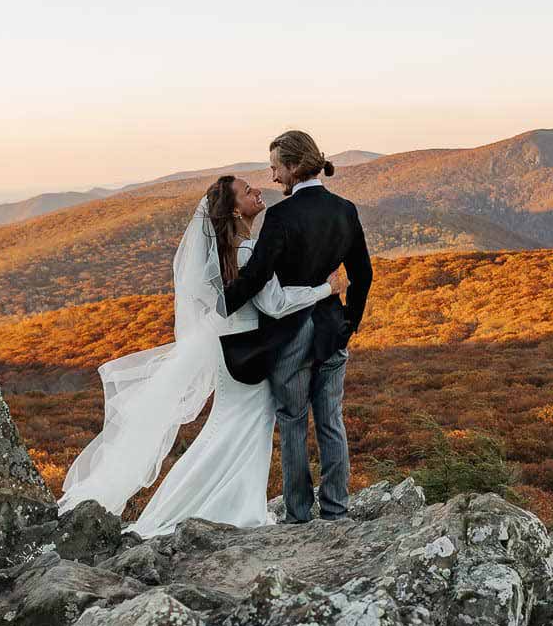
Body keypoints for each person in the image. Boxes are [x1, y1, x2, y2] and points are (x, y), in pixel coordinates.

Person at [57, 170, 348, 534]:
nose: (258, 190)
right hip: (247, 352)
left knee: (233, 428)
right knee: (237, 428)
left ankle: (229, 507)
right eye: (247, 191)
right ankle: (204, 512)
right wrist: (326, 288)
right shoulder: (247, 252)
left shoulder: (232, 252)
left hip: (234, 348)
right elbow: (275, 303)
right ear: (233, 210)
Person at [220, 129, 372, 522]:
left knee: (292, 422)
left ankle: (299, 513)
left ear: (292, 166)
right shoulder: (345, 209)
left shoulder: (282, 216)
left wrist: (218, 309)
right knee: (331, 421)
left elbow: (256, 277)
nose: (273, 178)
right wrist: (349, 321)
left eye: (275, 168)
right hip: (331, 329)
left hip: (290, 335)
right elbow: (363, 274)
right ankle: (337, 510)